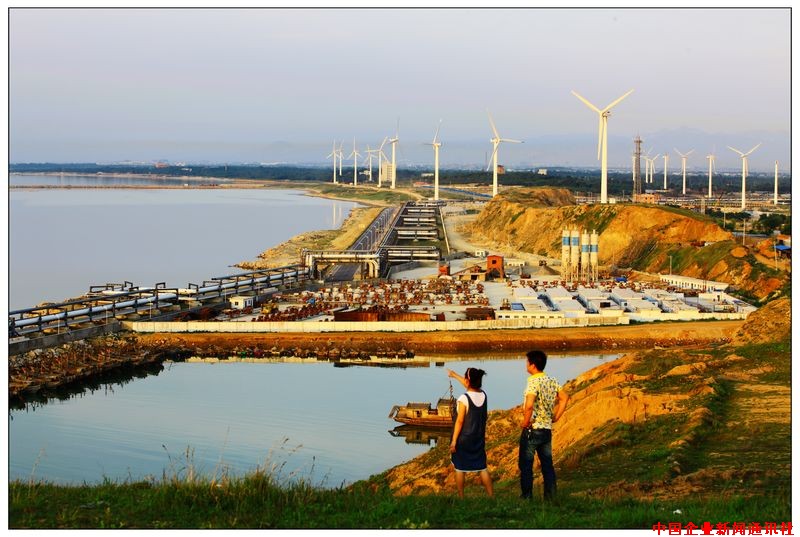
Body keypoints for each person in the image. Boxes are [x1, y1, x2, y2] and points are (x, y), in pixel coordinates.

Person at [519, 350, 570, 500]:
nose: (525, 364)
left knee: (526, 465)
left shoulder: (533, 381)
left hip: (533, 430)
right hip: (546, 429)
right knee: (547, 464)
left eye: (527, 362)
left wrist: (525, 422)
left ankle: (527, 496)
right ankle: (551, 496)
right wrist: (556, 416)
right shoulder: (551, 380)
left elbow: (529, 405)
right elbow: (564, 398)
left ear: (533, 365)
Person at [447, 367, 494, 498]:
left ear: (468, 381)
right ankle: (491, 496)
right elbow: (469, 386)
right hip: (478, 438)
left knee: (460, 468)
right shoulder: (483, 395)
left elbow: (460, 421)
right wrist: (455, 375)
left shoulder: (464, 398)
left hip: (464, 439)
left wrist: (454, 441)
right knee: (482, 468)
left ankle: (461, 497)